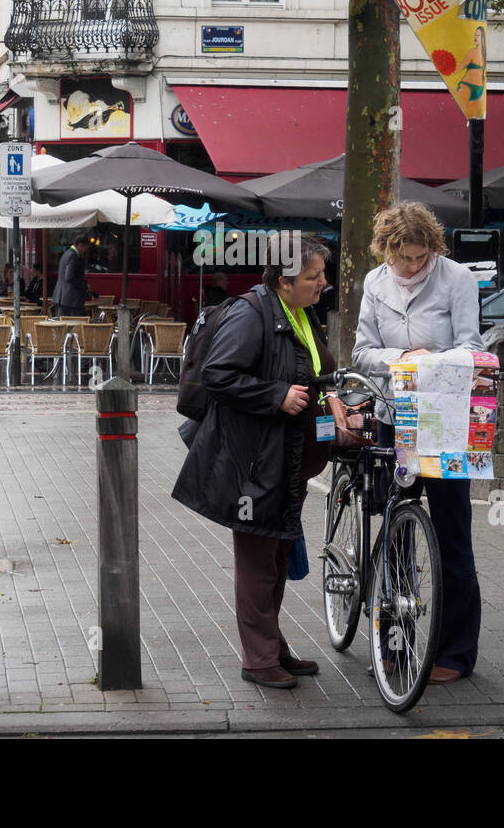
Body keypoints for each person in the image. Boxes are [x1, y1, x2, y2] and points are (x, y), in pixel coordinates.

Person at [173, 233, 334, 690]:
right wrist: (275, 395)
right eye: (313, 276)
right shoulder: (251, 312)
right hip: (255, 461)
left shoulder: (299, 312)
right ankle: (259, 658)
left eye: (322, 273)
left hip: (289, 459)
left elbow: (314, 371)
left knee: (278, 555)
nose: (323, 283)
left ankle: (273, 647)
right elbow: (218, 375)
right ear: (283, 281)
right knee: (258, 559)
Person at [353, 201, 483, 685]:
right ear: (387, 250)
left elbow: (473, 345)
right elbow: (362, 353)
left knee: (452, 534)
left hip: (448, 419)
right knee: (397, 534)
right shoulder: (374, 282)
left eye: (421, 255)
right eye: (404, 257)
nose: (413, 265)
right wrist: (404, 356)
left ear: (433, 246)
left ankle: (455, 650)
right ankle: (395, 644)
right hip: (395, 414)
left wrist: (437, 361)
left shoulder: (456, 279)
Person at [52, 235, 90, 318]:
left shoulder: (67, 253)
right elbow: (69, 277)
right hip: (72, 298)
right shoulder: (73, 256)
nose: (85, 251)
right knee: (76, 325)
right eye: (85, 248)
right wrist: (83, 286)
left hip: (65, 297)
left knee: (63, 325)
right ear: (80, 245)